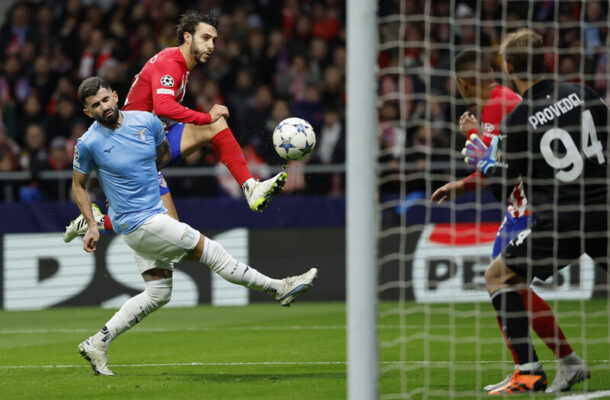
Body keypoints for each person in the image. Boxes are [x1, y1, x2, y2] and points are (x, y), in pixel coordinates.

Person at [73, 77, 317, 376]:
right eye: (95, 106)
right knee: (212, 252)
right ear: (88, 112)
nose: (103, 107)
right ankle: (280, 288)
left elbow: (162, 155)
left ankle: (98, 343)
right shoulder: (88, 143)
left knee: (158, 292)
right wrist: (92, 225)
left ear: (114, 95)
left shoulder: (146, 121)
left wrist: (141, 177)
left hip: (150, 216)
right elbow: (79, 186)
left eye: (105, 100)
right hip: (142, 223)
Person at [430, 49, 588, 393]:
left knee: (506, 282)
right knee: (508, 284)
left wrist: (473, 136)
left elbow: (498, 164)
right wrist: (461, 185)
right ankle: (552, 364)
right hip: (519, 207)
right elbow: (497, 164)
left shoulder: (500, 106)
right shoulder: (498, 102)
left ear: (463, 82)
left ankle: (536, 368)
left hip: (532, 206)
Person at [463, 29, 608, 395]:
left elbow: (505, 181)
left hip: (560, 222)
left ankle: (528, 372)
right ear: (546, 58)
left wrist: (482, 160)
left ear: (509, 66)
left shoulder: (518, 119)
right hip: (604, 210)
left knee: (498, 277)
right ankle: (556, 365)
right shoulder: (583, 93)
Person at [64, 10, 286, 242]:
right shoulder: (170, 64)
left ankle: (250, 187)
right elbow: (163, 108)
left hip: (151, 142)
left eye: (214, 40)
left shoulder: (179, 66)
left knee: (215, 127)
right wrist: (205, 117)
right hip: (131, 150)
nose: (211, 45)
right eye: (205, 38)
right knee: (170, 232)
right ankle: (97, 221)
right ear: (188, 37)